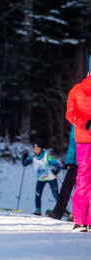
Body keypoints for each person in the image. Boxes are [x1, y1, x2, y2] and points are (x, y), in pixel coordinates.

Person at [65, 65, 91, 233]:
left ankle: (80, 222)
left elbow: (70, 114)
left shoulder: (76, 89)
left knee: (83, 179)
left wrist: (87, 124)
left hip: (83, 140)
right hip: (84, 140)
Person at [22, 139, 61, 216]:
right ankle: (38, 212)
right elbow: (25, 164)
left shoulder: (47, 156)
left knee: (56, 195)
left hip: (51, 177)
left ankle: (63, 211)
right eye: (34, 149)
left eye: (38, 149)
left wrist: (56, 171)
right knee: (37, 195)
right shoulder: (33, 156)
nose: (36, 150)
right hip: (41, 179)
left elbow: (57, 165)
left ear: (41, 148)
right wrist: (24, 157)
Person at [46, 125, 77, 221]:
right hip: (82, 162)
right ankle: (80, 216)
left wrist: (69, 161)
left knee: (68, 187)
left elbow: (73, 142)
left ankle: (58, 213)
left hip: (78, 162)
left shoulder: (78, 119)